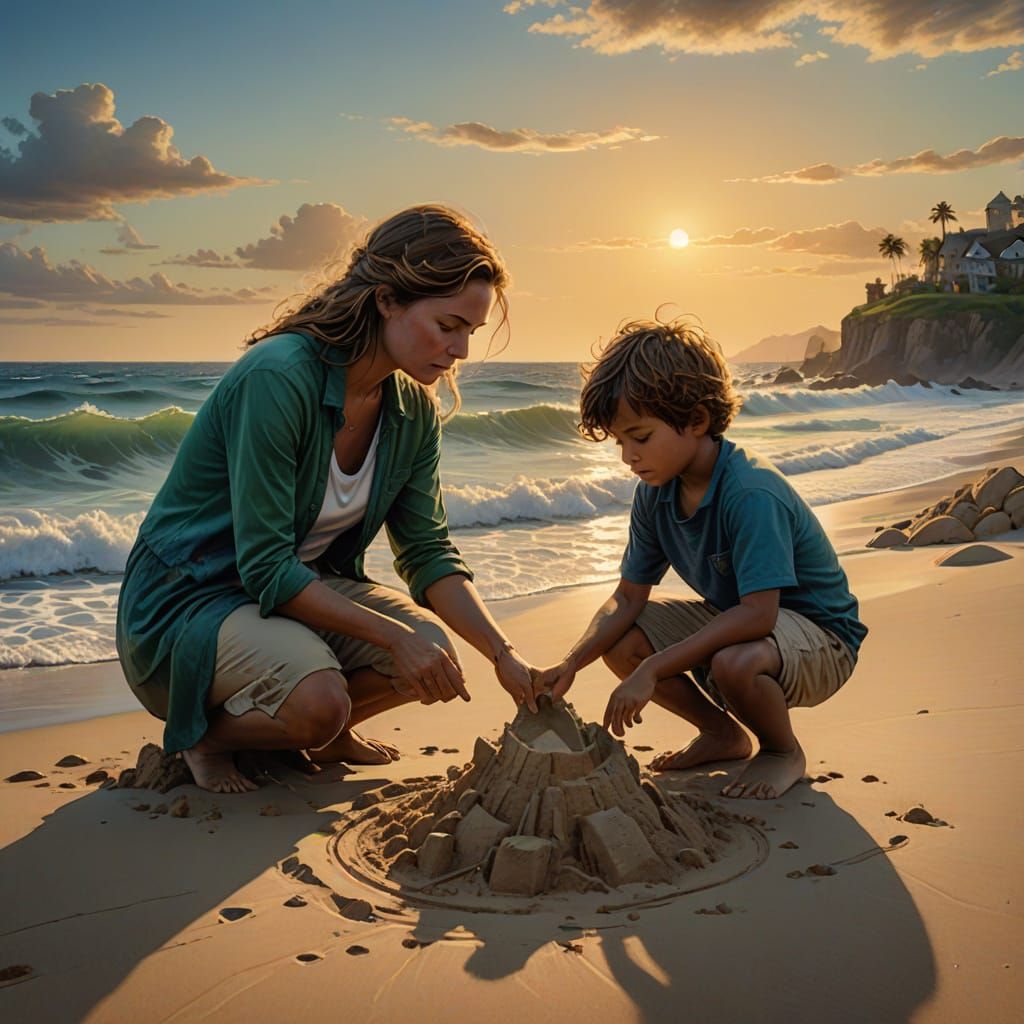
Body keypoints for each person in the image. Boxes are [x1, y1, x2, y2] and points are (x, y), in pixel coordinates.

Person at [116, 204, 539, 794]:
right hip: (190, 601)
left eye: (471, 330)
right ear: (388, 300)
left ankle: (323, 732)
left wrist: (503, 654)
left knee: (435, 652)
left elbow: (428, 552)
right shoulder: (279, 377)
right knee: (322, 696)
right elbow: (263, 565)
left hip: (287, 595)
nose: (462, 350)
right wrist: (393, 635)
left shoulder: (411, 409)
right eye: (448, 326)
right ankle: (209, 736)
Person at [536, 319, 867, 800]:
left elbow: (760, 613)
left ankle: (781, 750)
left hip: (821, 638)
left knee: (734, 662)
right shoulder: (655, 492)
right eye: (619, 442)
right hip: (745, 623)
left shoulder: (751, 493)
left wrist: (652, 671)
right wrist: (571, 663)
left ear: (696, 420)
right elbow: (627, 598)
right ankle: (723, 735)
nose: (628, 456)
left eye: (641, 437)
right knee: (623, 640)